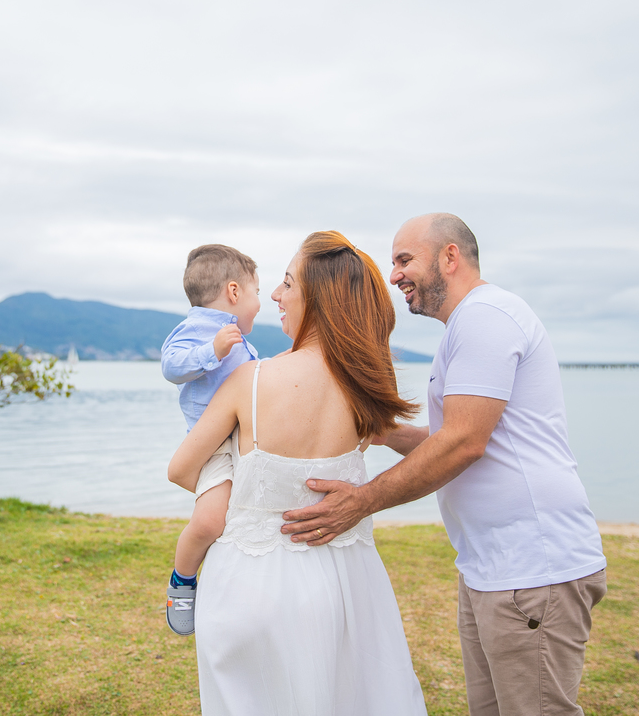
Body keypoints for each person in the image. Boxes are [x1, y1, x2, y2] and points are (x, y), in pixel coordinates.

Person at [282, 213, 607, 716]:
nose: (394, 276)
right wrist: (381, 430)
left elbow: (463, 443)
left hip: (531, 567)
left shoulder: (486, 318)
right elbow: (455, 438)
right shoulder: (469, 325)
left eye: (404, 260)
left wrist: (361, 502)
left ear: (450, 257)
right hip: (491, 567)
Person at [168, 231, 428, 716]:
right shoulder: (364, 389)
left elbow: (181, 468)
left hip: (250, 585)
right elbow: (422, 447)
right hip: (348, 587)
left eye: (287, 283)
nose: (274, 295)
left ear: (318, 298)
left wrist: (231, 465)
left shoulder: (251, 380)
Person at [160, 244, 262, 635]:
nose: (259, 302)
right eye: (255, 292)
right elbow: (171, 367)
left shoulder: (239, 336)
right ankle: (182, 581)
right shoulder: (197, 330)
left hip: (245, 438)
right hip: (214, 442)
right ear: (234, 292)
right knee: (208, 521)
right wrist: (211, 351)